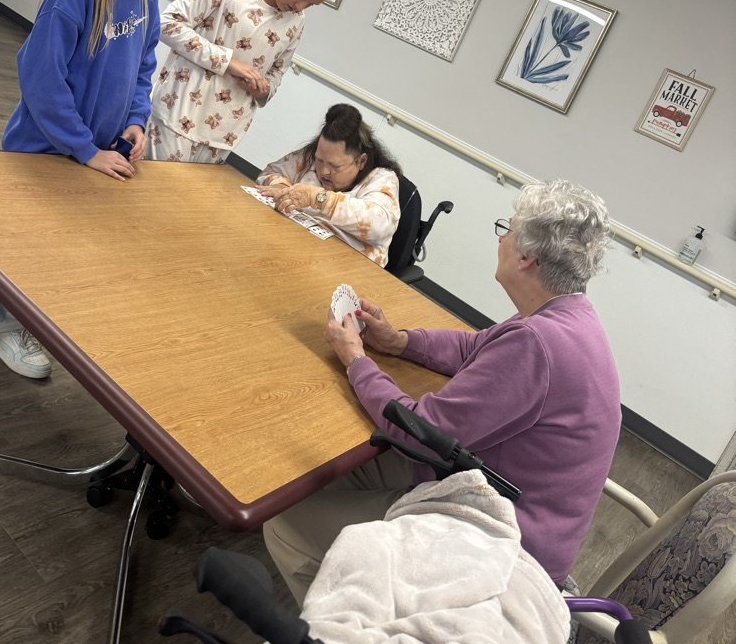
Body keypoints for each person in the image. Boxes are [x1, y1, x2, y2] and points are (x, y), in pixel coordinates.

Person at [264, 179, 621, 604]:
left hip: (500, 545)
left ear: (527, 258)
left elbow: (418, 430)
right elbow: (474, 347)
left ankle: (352, 622)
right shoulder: (565, 315)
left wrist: (357, 360)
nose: (502, 238)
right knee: (324, 475)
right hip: (499, 485)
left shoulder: (536, 345)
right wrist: (398, 341)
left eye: (507, 229)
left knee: (283, 526)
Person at [0, 0, 186, 380]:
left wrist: (137, 119)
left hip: (90, 151)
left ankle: (18, 317)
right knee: (14, 242)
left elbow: (144, 67)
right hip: (42, 149)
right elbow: (41, 78)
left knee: (55, 244)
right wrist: (82, 147)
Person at [147, 0, 338, 163]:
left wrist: (262, 89)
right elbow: (168, 25)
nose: (299, 6)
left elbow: (277, 73)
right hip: (177, 116)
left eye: (310, 4)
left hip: (224, 135)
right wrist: (228, 62)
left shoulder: (297, 21)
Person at [256, 104, 402, 267]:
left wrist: (319, 199)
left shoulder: (382, 178)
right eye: (320, 160)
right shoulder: (310, 157)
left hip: (347, 268)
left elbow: (379, 227)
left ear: (361, 161)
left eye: (335, 166)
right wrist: (281, 188)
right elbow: (268, 173)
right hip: (296, 253)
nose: (324, 171)